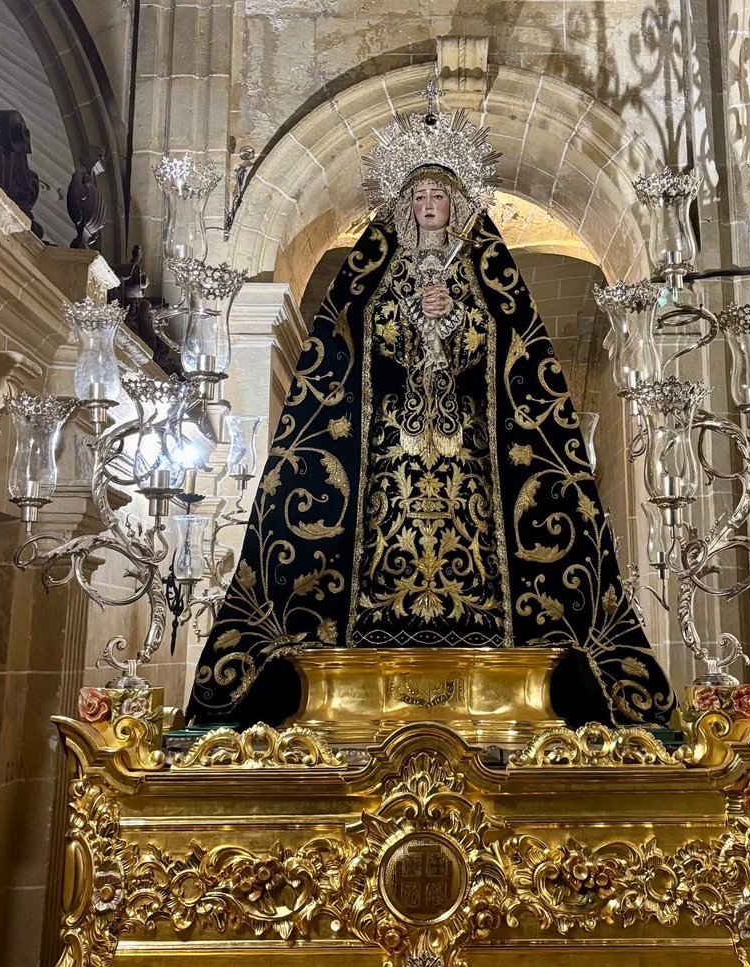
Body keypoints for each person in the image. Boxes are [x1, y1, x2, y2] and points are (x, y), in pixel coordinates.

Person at [187, 99, 675, 728]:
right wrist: (403, 313)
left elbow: (512, 348)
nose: (427, 207)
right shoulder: (374, 271)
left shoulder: (484, 271)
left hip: (466, 444)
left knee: (476, 527)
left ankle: (481, 620)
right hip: (390, 444)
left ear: (456, 203)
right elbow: (349, 341)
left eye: (438, 197)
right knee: (382, 527)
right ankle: (377, 619)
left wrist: (462, 316)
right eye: (418, 197)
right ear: (404, 204)